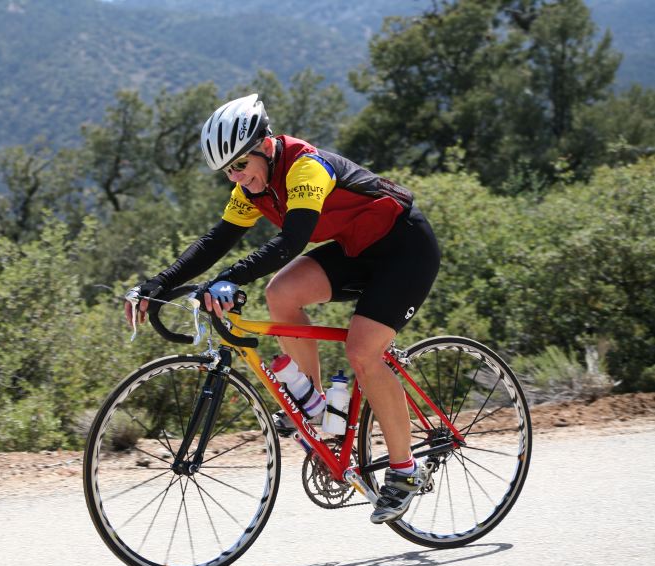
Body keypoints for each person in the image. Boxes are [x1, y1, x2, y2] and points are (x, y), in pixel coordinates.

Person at [124, 94, 441, 524]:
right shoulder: (251, 187)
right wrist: (159, 283)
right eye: (227, 172)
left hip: (404, 248)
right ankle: (315, 407)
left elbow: (291, 242)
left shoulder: (305, 167)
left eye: (239, 165)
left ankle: (404, 471)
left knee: (362, 352)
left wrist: (230, 278)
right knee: (282, 293)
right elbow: (216, 240)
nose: (235, 177)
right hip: (356, 248)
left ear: (265, 146)